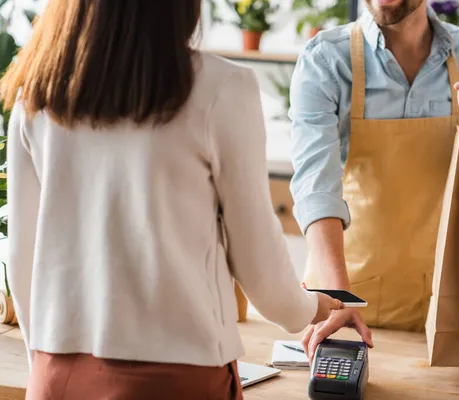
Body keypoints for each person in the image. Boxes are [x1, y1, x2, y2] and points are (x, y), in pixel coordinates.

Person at [1, 1, 343, 399]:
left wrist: (46, 368)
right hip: (175, 378)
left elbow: (22, 264)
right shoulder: (222, 88)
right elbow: (261, 271)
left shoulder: (37, 94)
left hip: (55, 373)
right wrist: (313, 307)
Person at [288, 0, 459, 360]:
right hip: (343, 301)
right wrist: (340, 299)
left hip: (442, 304)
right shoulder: (325, 59)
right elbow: (314, 187)